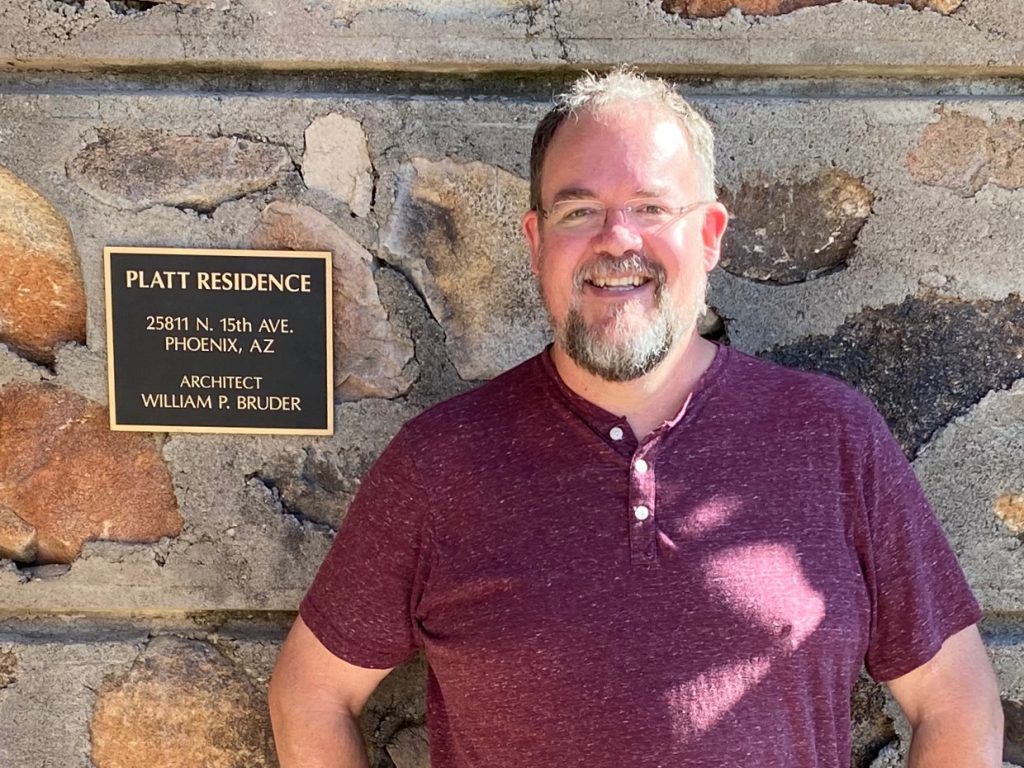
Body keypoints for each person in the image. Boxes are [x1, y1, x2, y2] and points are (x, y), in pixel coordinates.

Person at [268, 69, 1003, 767]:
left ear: (711, 235)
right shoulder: (441, 464)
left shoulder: (833, 437)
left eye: (651, 208)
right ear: (536, 242)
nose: (618, 239)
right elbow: (311, 692)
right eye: (579, 210)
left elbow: (956, 700)